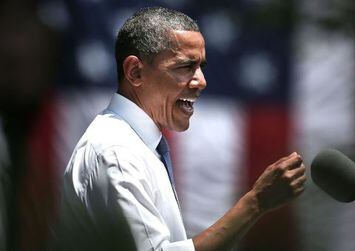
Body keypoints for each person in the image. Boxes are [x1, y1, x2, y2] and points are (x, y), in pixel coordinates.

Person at [55, 6, 306, 251]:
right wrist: (255, 202)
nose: (201, 82)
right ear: (135, 72)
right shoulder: (117, 154)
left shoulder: (134, 145)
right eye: (185, 67)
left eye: (201, 68)